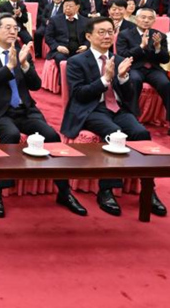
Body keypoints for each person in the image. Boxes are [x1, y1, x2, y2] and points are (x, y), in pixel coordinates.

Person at [0, 13, 87, 218]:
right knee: (11, 134)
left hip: (24, 109)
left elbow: (35, 85)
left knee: (51, 136)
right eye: (7, 27)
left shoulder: (22, 53)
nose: (12, 31)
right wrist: (9, 67)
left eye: (15, 28)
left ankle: (64, 191)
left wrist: (24, 65)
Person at [61, 16, 166, 217]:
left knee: (141, 133)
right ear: (89, 36)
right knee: (114, 134)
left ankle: (148, 189)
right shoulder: (76, 62)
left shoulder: (119, 60)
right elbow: (79, 94)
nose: (107, 36)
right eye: (102, 32)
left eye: (110, 32)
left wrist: (123, 77)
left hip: (117, 108)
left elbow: (128, 97)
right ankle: (107, 189)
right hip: (91, 109)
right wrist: (105, 79)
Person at [116, 8, 170, 131]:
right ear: (136, 19)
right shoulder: (125, 34)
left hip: (153, 69)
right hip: (133, 67)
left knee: (165, 83)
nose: (146, 20)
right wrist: (140, 47)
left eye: (150, 18)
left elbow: (165, 59)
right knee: (134, 80)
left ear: (154, 20)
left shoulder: (159, 35)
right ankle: (132, 118)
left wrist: (157, 48)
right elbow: (122, 55)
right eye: (143, 17)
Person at [44, 0, 87, 80]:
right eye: (65, 6)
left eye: (70, 6)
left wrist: (86, 46)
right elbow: (48, 37)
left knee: (86, 58)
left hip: (79, 50)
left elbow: (90, 37)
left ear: (77, 7)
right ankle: (64, 80)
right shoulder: (55, 20)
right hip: (61, 50)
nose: (67, 8)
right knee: (60, 58)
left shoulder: (85, 21)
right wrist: (57, 47)